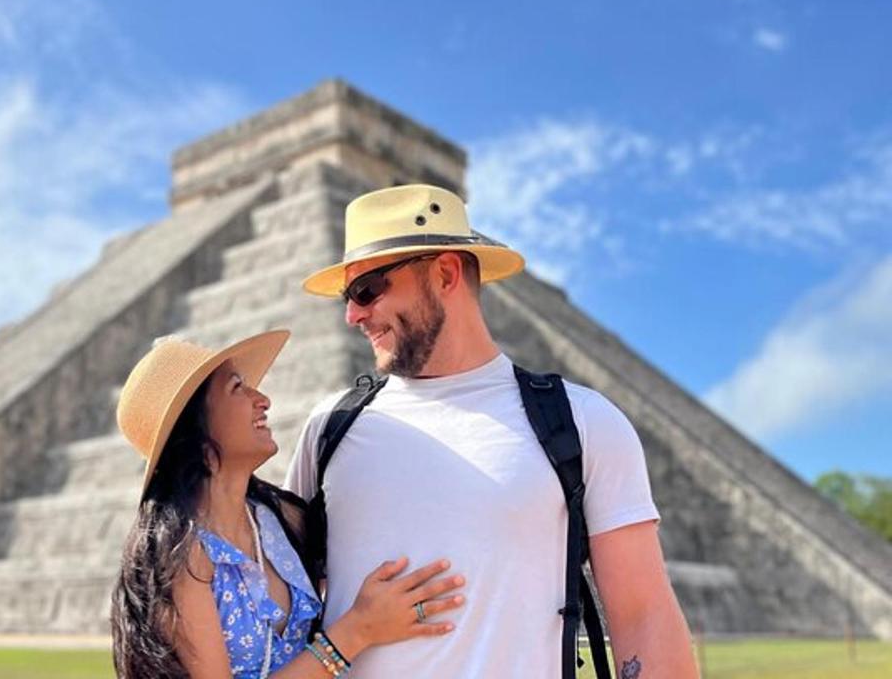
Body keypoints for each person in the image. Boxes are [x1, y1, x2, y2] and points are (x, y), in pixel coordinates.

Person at [286, 184, 699, 679]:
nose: (353, 314)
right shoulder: (329, 429)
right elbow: (285, 604)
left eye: (366, 290)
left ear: (445, 273)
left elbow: (643, 615)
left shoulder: (582, 421)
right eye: (347, 298)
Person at [110, 330, 466, 678]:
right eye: (237, 387)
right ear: (196, 429)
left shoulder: (282, 521)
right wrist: (357, 630)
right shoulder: (182, 557)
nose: (262, 399)